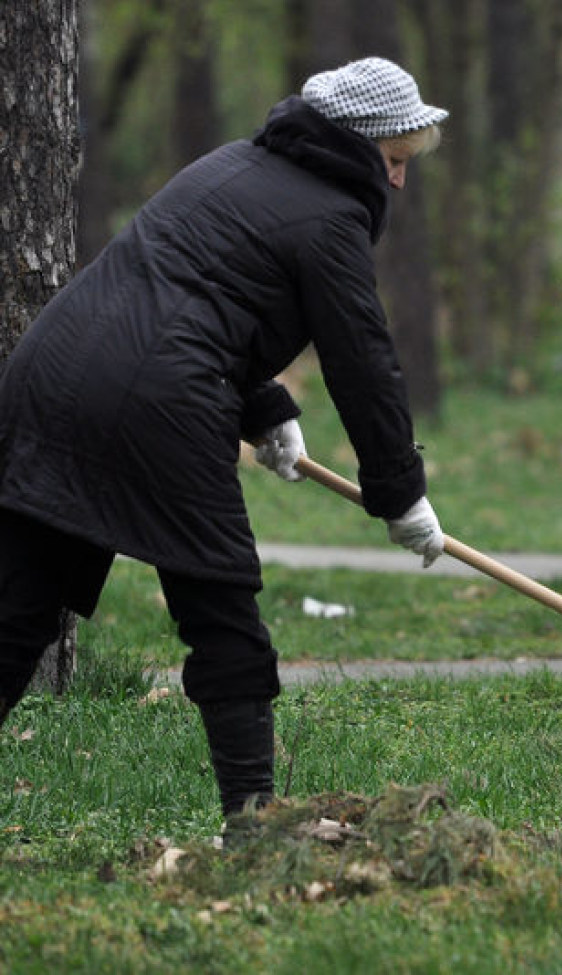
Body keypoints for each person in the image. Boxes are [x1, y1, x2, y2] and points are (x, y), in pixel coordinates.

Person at [0, 57, 448, 821]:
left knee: (17, 609)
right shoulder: (333, 216)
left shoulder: (231, 167)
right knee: (223, 616)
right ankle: (255, 823)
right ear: (356, 143)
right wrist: (400, 492)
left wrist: (264, 405)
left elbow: (189, 295)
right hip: (158, 405)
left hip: (49, 375)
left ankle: (253, 818)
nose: (399, 182)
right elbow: (363, 362)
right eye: (396, 161)